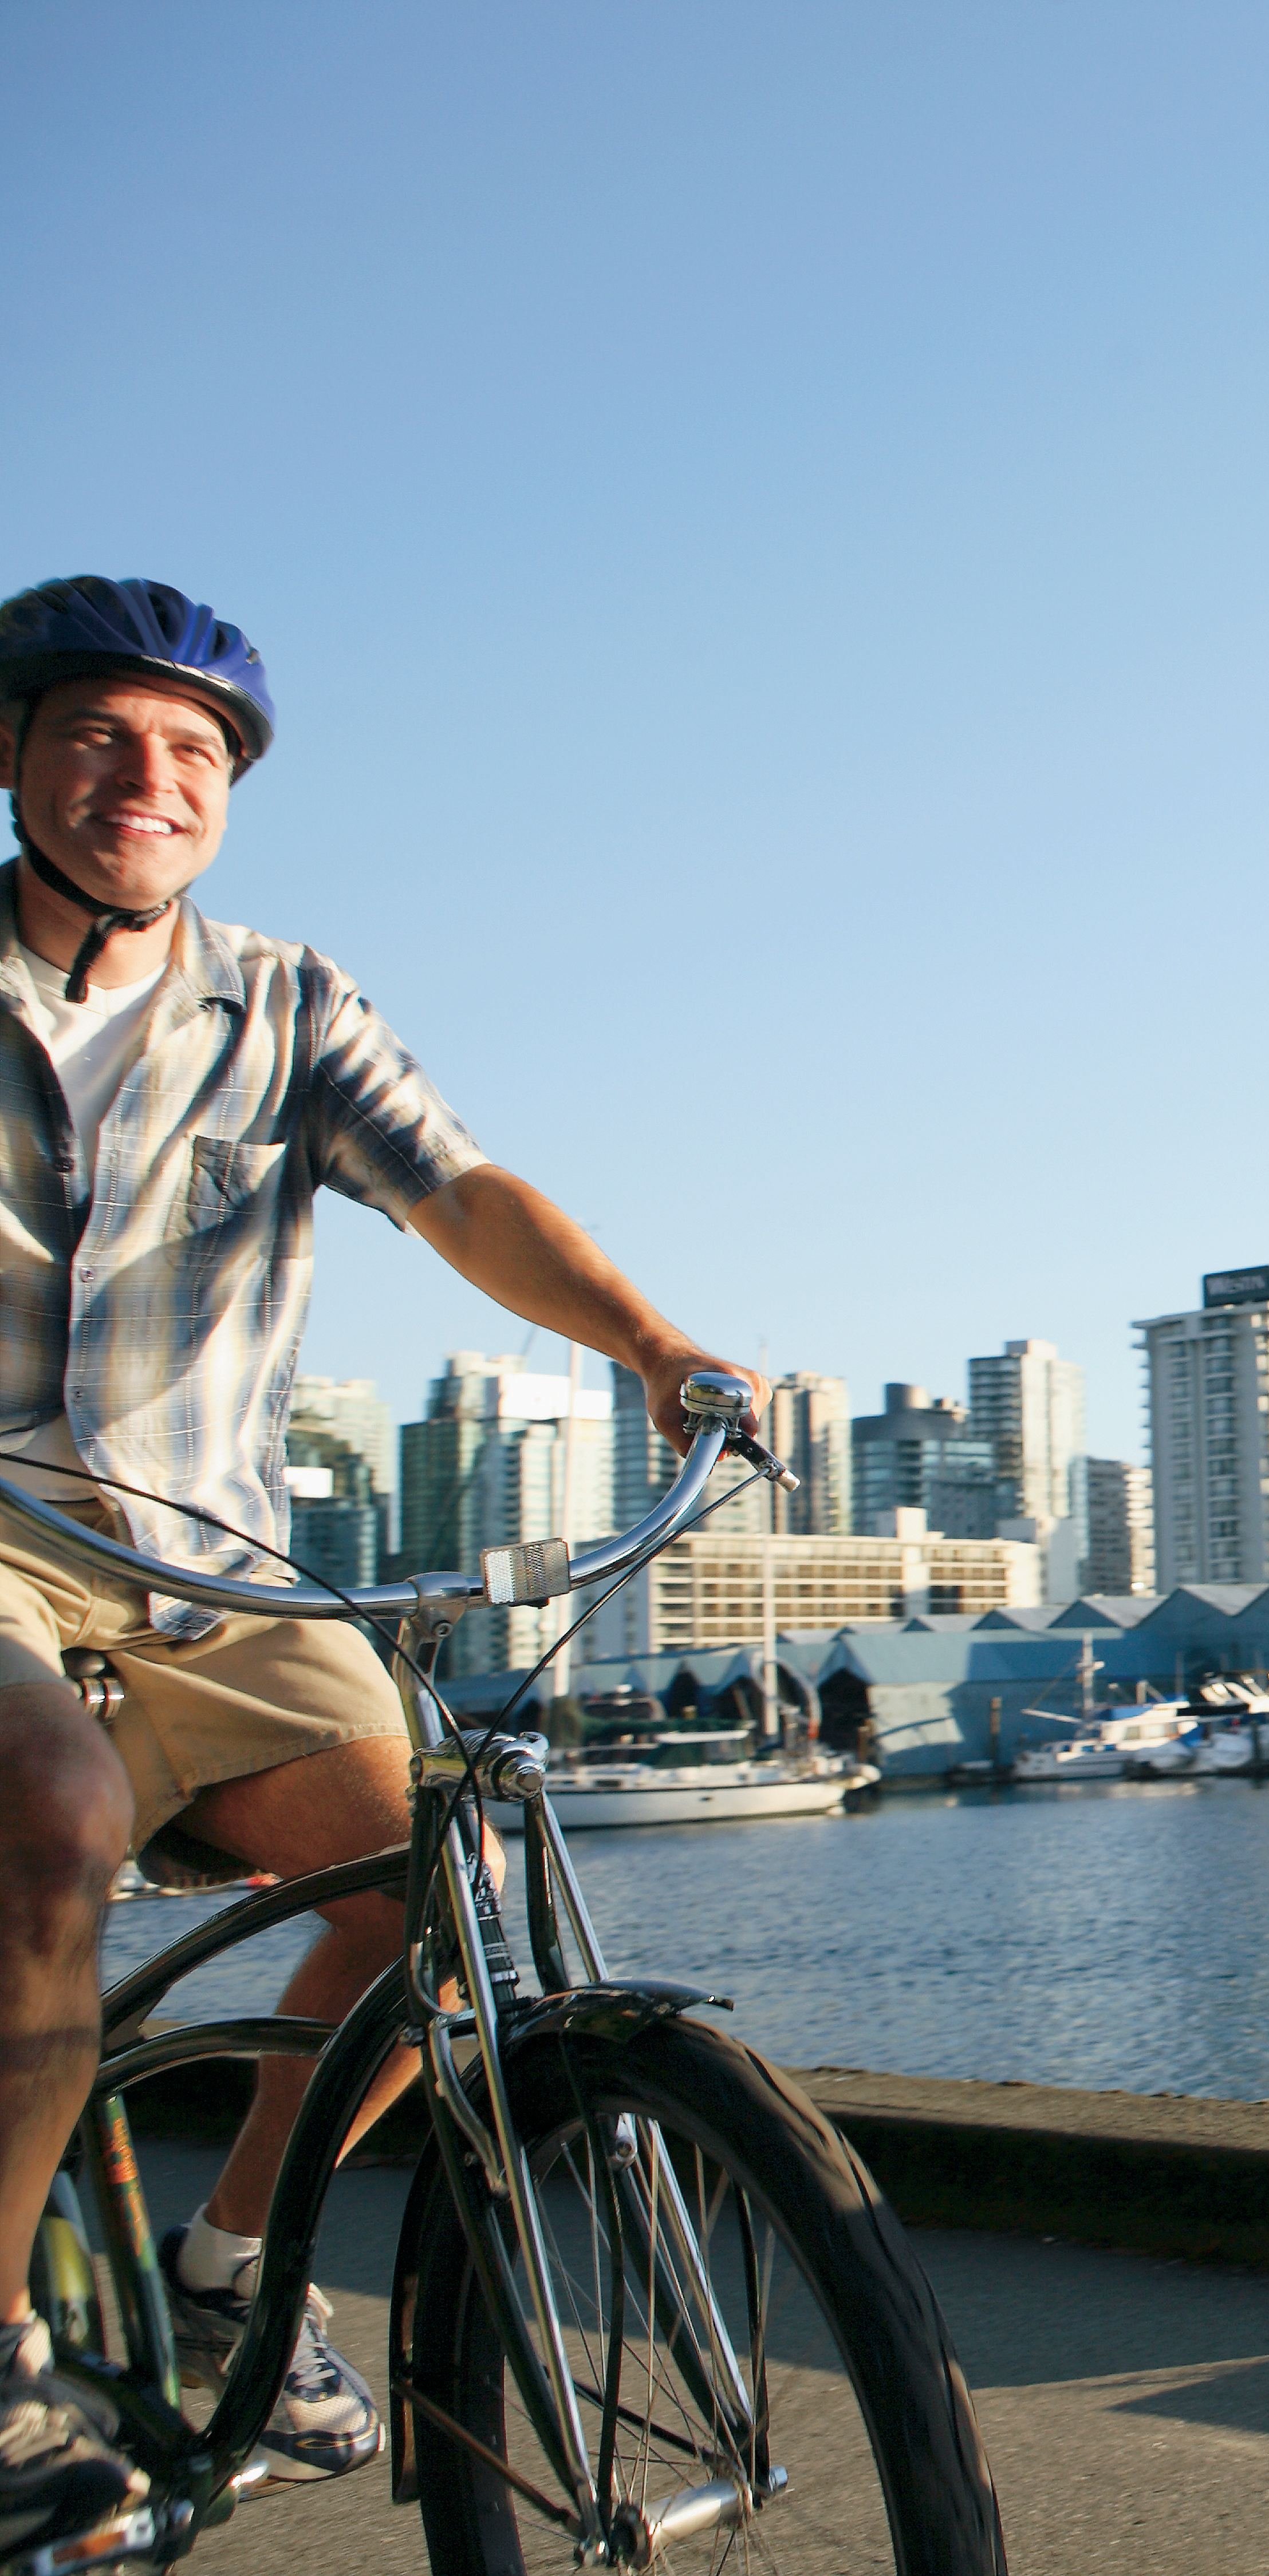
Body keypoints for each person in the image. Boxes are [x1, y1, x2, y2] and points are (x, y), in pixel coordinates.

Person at [0, 578, 761, 2557]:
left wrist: (657, 1345)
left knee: (450, 1875)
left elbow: (462, 1194)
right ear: (15, 756)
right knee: (45, 1810)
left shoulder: (287, 1003)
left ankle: (239, 2256)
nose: (143, 777)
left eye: (189, 749)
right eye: (96, 732)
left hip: (217, 1564)